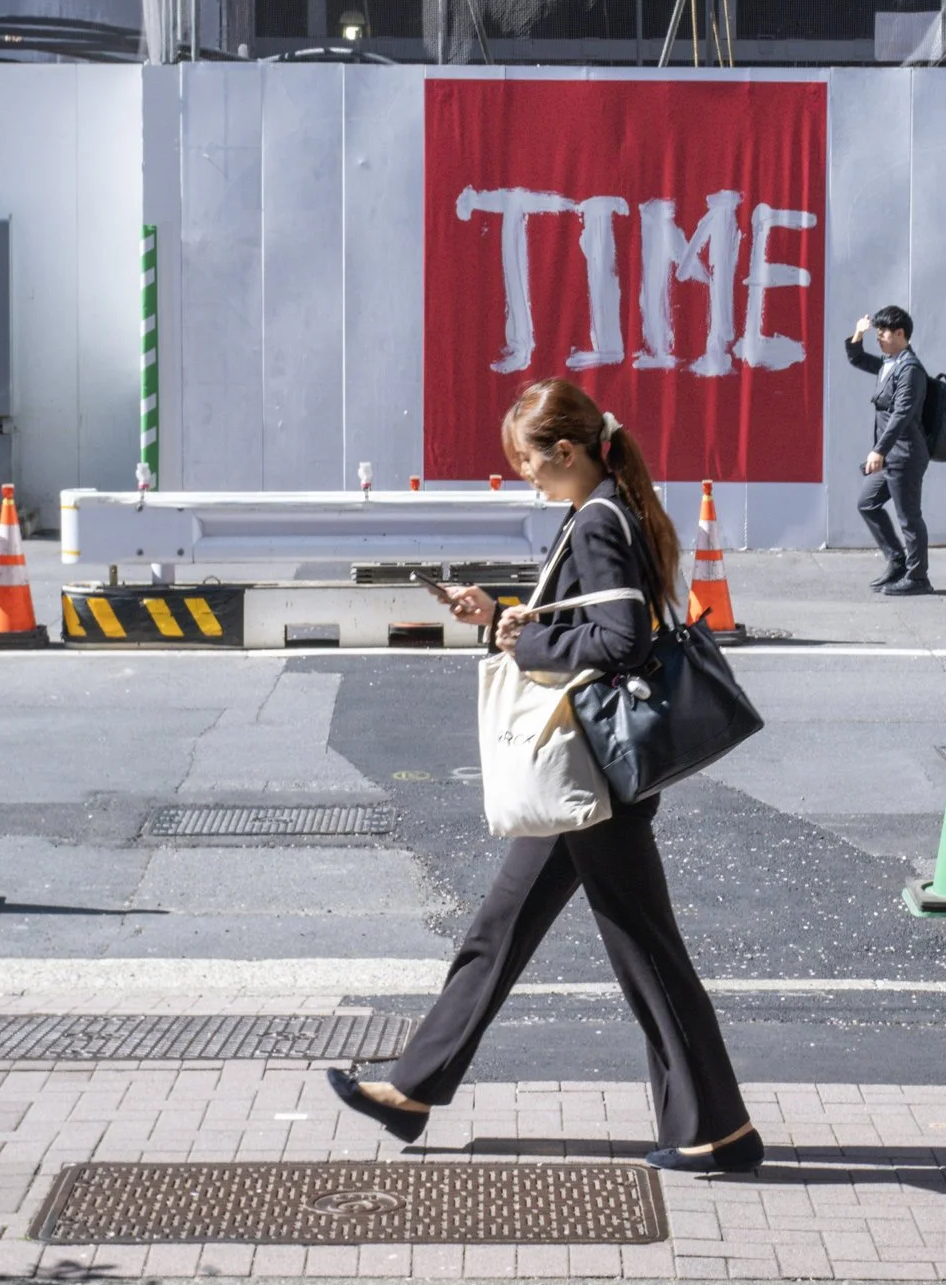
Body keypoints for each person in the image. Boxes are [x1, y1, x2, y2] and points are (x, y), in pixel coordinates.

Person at [326, 378, 763, 1174]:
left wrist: (520, 646)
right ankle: (414, 1088)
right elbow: (590, 624)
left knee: (643, 951)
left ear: (567, 451)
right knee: (503, 931)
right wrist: (499, 619)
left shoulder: (597, 519)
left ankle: (719, 1128)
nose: (524, 474)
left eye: (528, 461)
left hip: (588, 773)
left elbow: (622, 640)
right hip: (585, 775)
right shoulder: (599, 512)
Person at [845, 305, 932, 596]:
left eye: (883, 333)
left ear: (900, 334)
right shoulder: (889, 363)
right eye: (878, 331)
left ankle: (918, 577)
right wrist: (858, 334)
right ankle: (897, 561)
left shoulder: (910, 370)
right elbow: (857, 359)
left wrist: (878, 450)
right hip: (891, 455)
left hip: (905, 454)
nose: (879, 337)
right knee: (867, 503)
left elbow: (902, 413)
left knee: (909, 517)